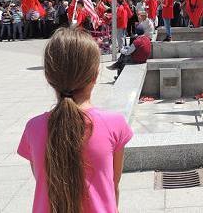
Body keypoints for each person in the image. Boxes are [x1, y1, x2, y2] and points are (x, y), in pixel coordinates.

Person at [17, 27, 133, 212]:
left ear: (48, 76)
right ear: (95, 75)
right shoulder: (114, 124)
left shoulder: (33, 128)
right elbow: (113, 185)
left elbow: (41, 180)